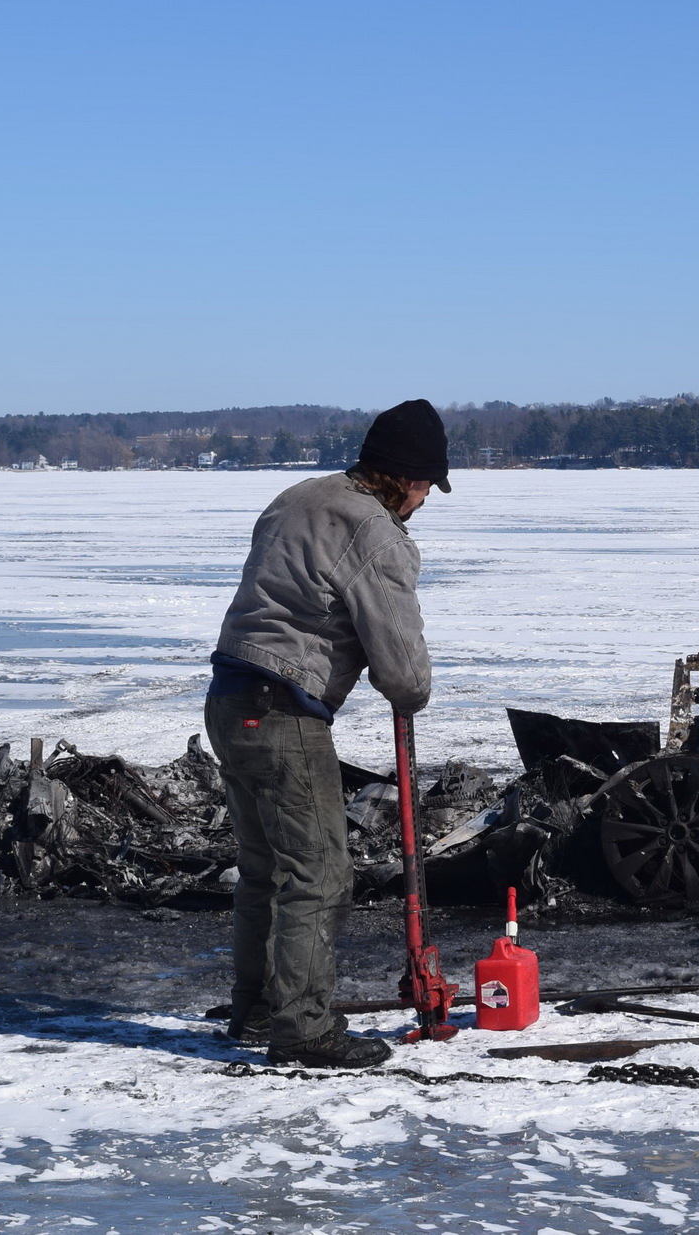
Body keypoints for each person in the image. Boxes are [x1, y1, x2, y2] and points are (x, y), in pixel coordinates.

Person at [205, 399, 450, 1067]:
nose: (426, 499)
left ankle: (258, 1007)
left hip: (229, 698)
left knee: (264, 868)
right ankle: (304, 1030)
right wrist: (409, 683)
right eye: (428, 485)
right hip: (283, 710)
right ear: (406, 477)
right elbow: (404, 675)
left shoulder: (297, 498)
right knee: (319, 875)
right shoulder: (375, 533)